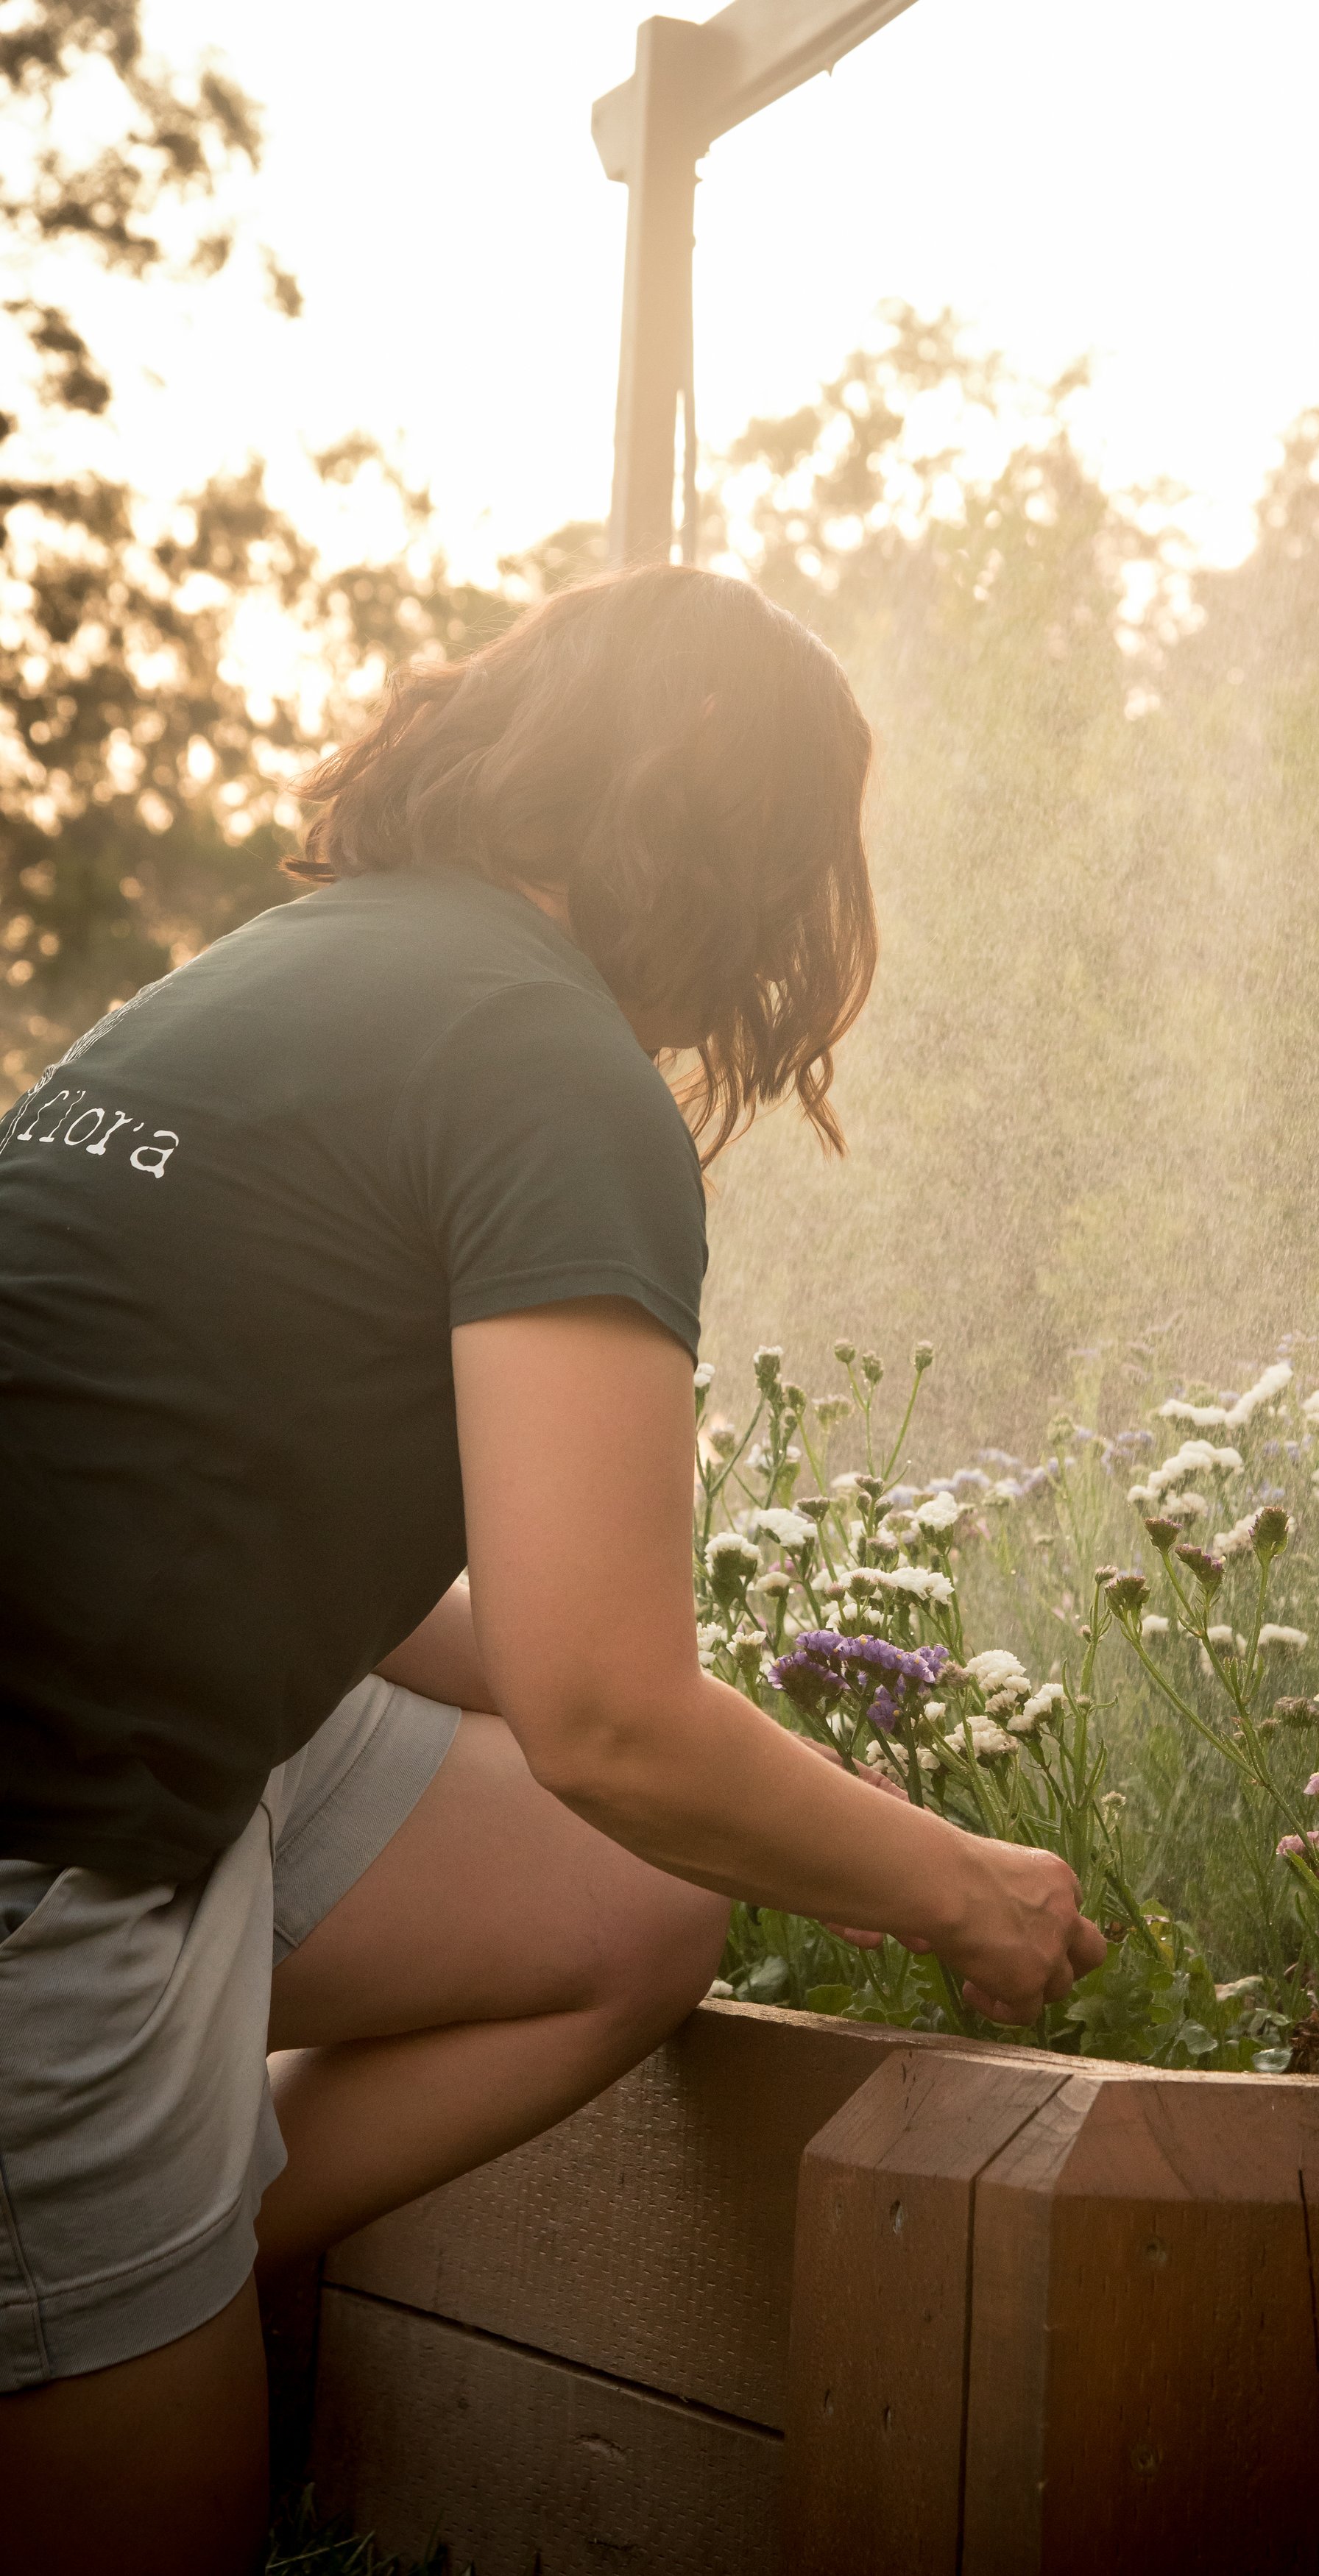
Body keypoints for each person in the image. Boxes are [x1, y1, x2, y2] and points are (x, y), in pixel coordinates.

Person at [0, 566, 1105, 2576]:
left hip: (128, 1731)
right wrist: (959, 1884)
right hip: (50, 1849)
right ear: (753, 857)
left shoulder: (284, 967)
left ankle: (122, 2272)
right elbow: (606, 1713)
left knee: (624, 1895)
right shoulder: (558, 1074)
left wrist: (703, 1739)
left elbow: (237, 1507)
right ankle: (90, 2303)